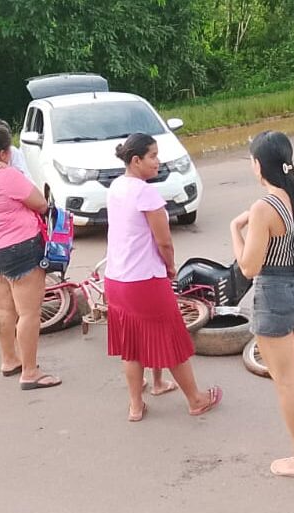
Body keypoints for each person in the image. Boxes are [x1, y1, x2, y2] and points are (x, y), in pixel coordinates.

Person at [230, 131, 294, 481]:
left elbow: (248, 267)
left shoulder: (264, 208)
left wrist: (235, 228)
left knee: (285, 380)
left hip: (276, 294)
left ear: (259, 165)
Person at [105, 133, 222, 422]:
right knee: (172, 338)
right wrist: (170, 267)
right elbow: (164, 242)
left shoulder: (117, 186)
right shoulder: (147, 194)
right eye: (153, 156)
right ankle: (196, 399)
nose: (158, 162)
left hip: (115, 279)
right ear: (136, 160)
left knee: (131, 343)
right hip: (143, 280)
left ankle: (136, 404)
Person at [0, 119, 61, 390]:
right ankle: (30, 372)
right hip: (18, 247)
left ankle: (9, 360)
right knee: (29, 312)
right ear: (4, 153)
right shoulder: (6, 176)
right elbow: (41, 204)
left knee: (4, 307)